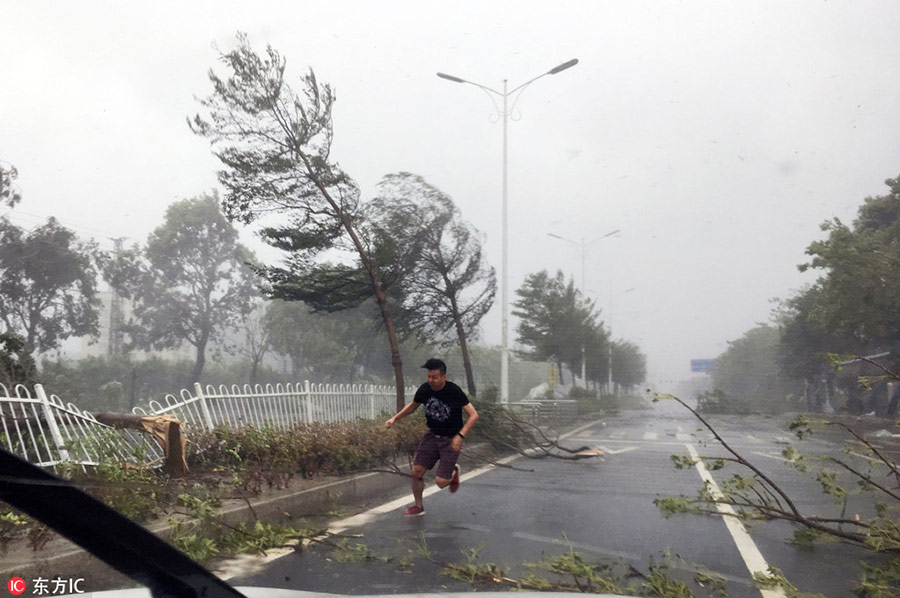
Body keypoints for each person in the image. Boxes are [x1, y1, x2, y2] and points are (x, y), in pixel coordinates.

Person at [385, 358, 478, 516]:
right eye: (428, 376)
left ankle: (453, 472)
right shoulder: (425, 389)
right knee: (416, 472)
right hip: (432, 435)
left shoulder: (454, 391)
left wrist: (460, 436)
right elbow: (413, 406)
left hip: (451, 439)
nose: (430, 380)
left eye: (434, 377)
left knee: (441, 483)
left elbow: (474, 415)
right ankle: (418, 506)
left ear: (443, 377)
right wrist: (395, 418)